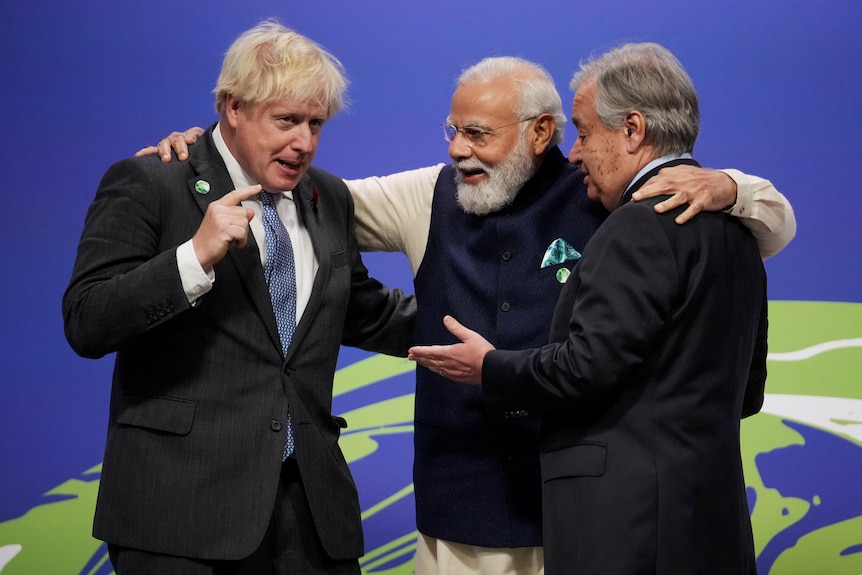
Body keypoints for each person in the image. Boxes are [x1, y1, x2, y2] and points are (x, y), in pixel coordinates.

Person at [143, 57, 794, 574]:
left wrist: (737, 186)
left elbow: (754, 220)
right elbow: (297, 203)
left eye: (478, 133)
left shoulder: (613, 197)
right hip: (459, 514)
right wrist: (213, 158)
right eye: (451, 130)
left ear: (542, 132)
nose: (458, 149)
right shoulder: (427, 192)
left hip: (578, 517)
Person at [63, 21, 416, 575]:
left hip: (311, 516)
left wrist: (504, 330)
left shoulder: (328, 196)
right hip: (178, 516)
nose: (303, 141)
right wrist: (194, 256)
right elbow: (87, 321)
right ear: (233, 107)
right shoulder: (152, 182)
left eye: (315, 123)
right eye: (286, 120)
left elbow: (364, 311)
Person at [409, 42, 767, 574]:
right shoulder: (741, 233)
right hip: (711, 524)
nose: (574, 153)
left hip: (630, 527)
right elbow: (748, 392)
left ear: (633, 130)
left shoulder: (635, 226)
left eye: (584, 132)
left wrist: (489, 367)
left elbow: (586, 366)